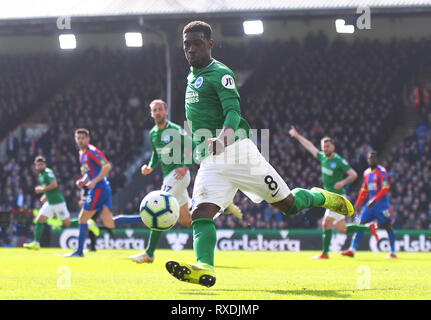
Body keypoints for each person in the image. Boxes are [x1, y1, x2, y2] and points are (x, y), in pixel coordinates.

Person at [165, 21, 355, 288]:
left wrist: (224, 135)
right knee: (201, 213)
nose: (191, 49)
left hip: (238, 153)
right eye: (187, 44)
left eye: (197, 43)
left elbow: (233, 111)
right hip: (210, 161)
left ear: (210, 44)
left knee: (289, 205)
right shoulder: (191, 75)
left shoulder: (220, 73)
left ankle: (320, 196)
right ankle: (204, 267)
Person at [129, 99, 243, 264]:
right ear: (151, 113)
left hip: (178, 175)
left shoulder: (175, 130)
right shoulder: (153, 133)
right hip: (169, 176)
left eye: (161, 109)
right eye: (155, 110)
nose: (158, 112)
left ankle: (149, 253)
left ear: (166, 111)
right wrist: (150, 166)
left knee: (158, 206)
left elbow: (192, 145)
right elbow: (156, 153)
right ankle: (223, 206)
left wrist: (185, 166)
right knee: (187, 220)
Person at [288, 127, 378, 259]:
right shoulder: (322, 158)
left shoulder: (338, 160)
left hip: (337, 197)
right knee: (342, 229)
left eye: (327, 147)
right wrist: (296, 136)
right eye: (323, 147)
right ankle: (369, 228)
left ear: (333, 147)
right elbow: (310, 146)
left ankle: (325, 253)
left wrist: (343, 182)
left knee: (325, 223)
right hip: (329, 197)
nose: (325, 149)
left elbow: (353, 174)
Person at [23, 156, 99, 250]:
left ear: (45, 165)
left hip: (58, 202)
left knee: (67, 224)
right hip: (50, 203)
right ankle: (36, 243)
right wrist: (45, 196)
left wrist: (42, 189)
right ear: (35, 166)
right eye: (38, 165)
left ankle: (88, 223)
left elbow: (54, 185)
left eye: (41, 164)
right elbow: (49, 188)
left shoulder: (48, 172)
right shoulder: (40, 175)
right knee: (39, 220)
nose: (40, 166)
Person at [66, 128, 115, 257]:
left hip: (99, 188)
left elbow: (106, 166)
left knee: (82, 218)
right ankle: (142, 219)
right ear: (75, 140)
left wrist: (94, 181)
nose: (80, 140)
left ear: (88, 139)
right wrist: (83, 180)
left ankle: (79, 251)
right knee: (109, 222)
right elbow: (90, 171)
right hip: (100, 188)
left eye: (83, 138)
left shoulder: (92, 151)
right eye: (78, 138)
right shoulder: (81, 153)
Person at [341, 151, 397, 259]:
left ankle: (393, 251)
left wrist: (375, 199)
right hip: (370, 206)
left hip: (381, 205)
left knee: (387, 226)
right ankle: (352, 249)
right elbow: (364, 189)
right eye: (370, 158)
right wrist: (357, 203)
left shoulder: (382, 171)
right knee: (361, 224)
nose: (371, 160)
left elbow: (385, 187)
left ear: (377, 159)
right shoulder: (366, 173)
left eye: (373, 158)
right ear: (367, 160)